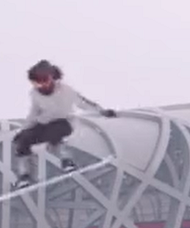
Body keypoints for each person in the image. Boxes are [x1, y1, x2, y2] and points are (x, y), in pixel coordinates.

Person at [11, 59, 117, 189]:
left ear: (51, 78)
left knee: (55, 133)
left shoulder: (66, 90)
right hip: (43, 124)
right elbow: (33, 113)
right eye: (37, 83)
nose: (42, 86)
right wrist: (23, 130)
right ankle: (24, 175)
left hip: (63, 123)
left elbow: (83, 102)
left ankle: (66, 160)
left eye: (44, 81)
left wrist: (102, 111)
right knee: (23, 140)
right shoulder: (35, 94)